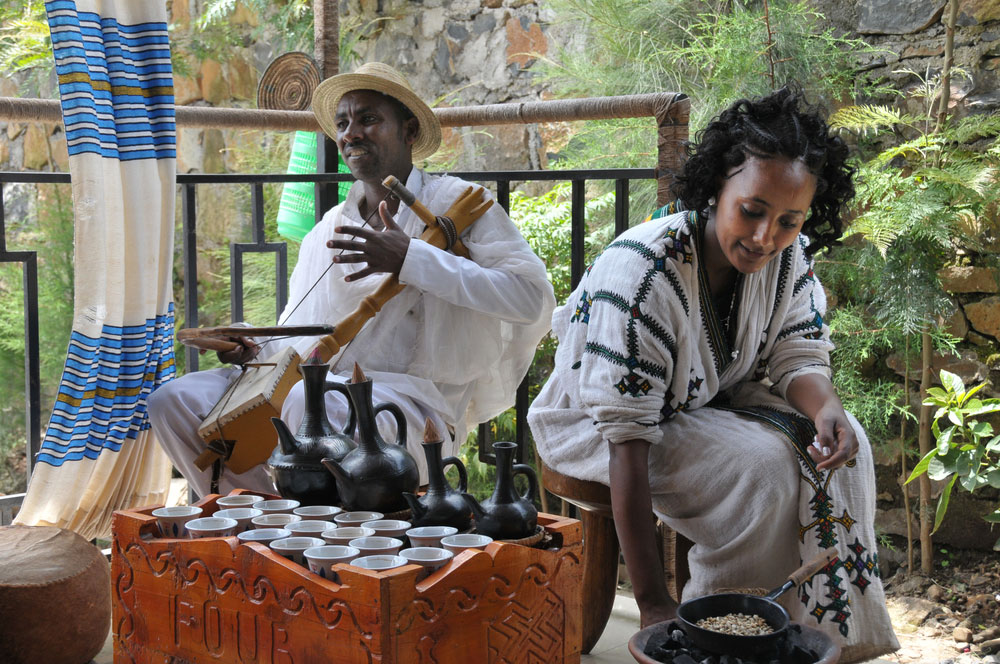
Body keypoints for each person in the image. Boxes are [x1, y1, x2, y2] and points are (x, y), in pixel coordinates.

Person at [527, 87, 898, 662]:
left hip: (704, 400)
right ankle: (721, 640)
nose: (764, 237)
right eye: (751, 210)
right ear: (716, 187)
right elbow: (626, 441)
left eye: (788, 220)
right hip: (595, 423)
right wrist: (653, 605)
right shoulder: (643, 272)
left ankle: (816, 640)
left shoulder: (786, 259)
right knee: (761, 470)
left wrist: (826, 407)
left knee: (849, 446)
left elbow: (798, 354)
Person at [149, 62, 555, 497]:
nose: (351, 133)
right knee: (173, 402)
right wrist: (252, 349)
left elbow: (532, 298)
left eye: (369, 119)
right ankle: (261, 528)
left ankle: (311, 542)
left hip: (415, 407)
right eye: (342, 123)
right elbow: (297, 333)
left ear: (410, 131)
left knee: (312, 405)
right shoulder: (327, 229)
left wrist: (412, 258)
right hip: (320, 393)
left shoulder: (456, 205)